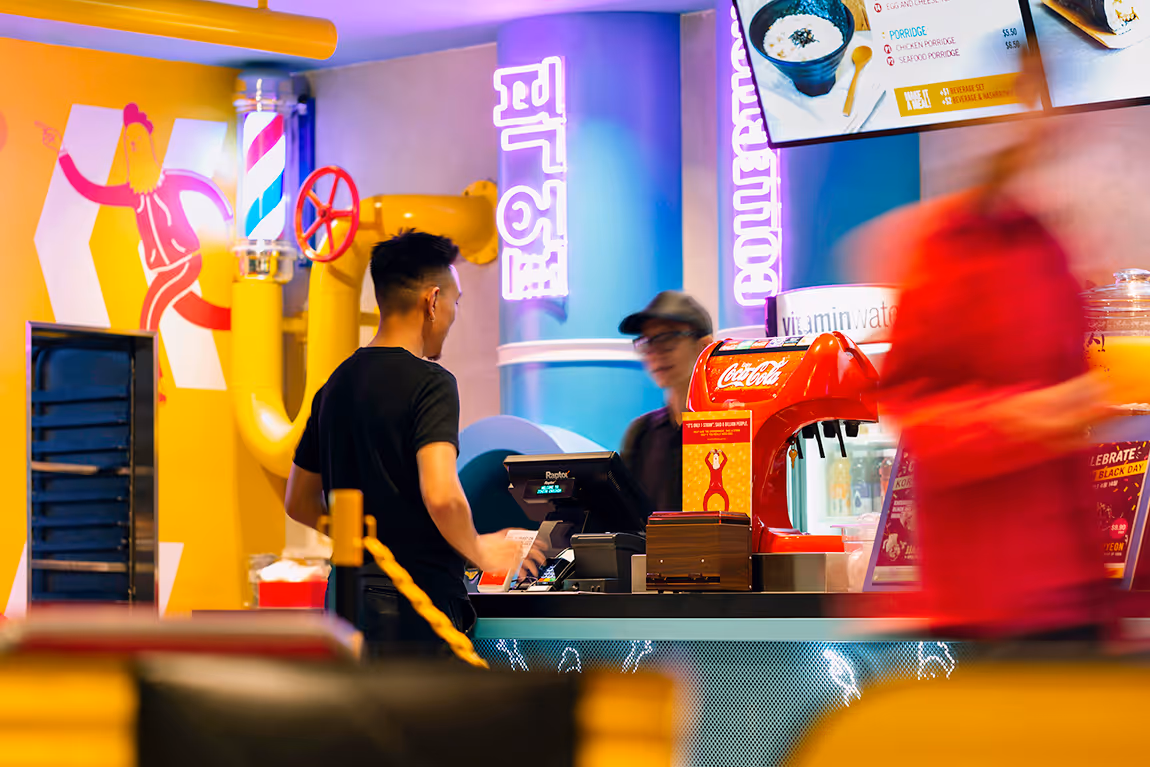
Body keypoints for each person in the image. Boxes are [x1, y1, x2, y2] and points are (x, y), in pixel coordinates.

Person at [876, 53, 1118, 643]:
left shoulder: (1047, 247)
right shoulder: (939, 247)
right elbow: (909, 407)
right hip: (985, 603)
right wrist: (1017, 419)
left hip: (1072, 593)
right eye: (1031, 93)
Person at [285, 230, 543, 658]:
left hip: (345, 601)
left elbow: (298, 500)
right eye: (455, 303)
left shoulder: (335, 386)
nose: (453, 315)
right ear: (432, 300)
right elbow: (441, 494)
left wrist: (365, 542)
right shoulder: (431, 384)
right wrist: (480, 550)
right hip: (415, 607)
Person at [618, 291, 714, 511]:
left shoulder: (729, 429)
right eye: (647, 342)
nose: (655, 352)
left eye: (668, 339)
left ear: (704, 346)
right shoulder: (642, 433)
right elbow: (623, 515)